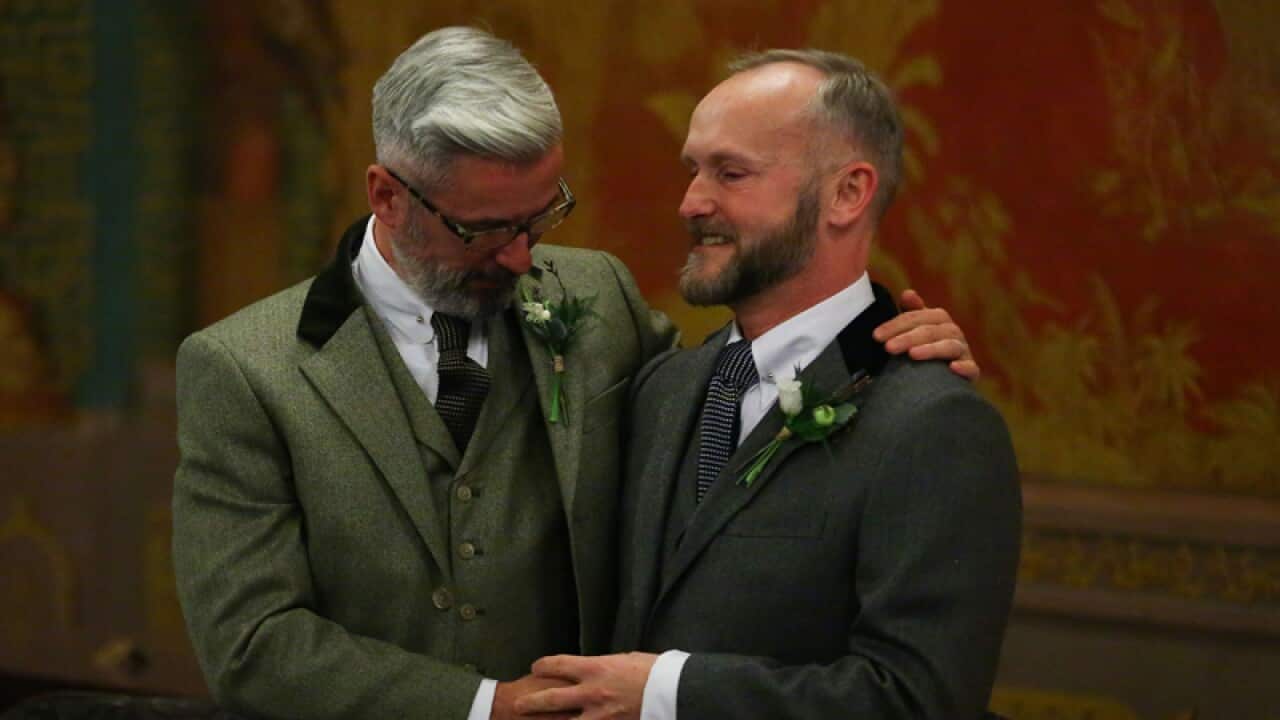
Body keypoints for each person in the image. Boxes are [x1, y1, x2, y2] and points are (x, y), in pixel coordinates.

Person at [172, 29, 981, 720]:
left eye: (542, 216)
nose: (523, 258)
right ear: (388, 196)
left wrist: (878, 342)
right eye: (486, 230)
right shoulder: (243, 368)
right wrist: (487, 706)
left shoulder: (598, 296)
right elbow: (251, 643)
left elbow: (741, 396)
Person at [515, 50, 1021, 720]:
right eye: (693, 170)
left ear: (847, 193)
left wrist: (670, 693)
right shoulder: (661, 388)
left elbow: (920, 701)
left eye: (731, 173)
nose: (691, 203)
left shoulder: (933, 423)